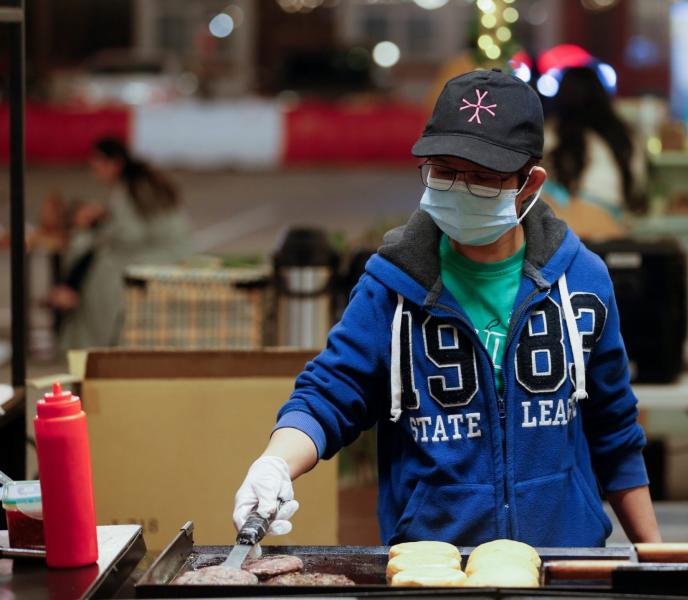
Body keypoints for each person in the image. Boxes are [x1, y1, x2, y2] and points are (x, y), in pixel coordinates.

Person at [234, 69, 661, 546]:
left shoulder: (582, 281)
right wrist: (275, 463)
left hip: (563, 566)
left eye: (482, 178)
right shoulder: (391, 288)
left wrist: (658, 559)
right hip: (433, 571)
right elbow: (329, 394)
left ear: (528, 183)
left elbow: (615, 431)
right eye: (443, 171)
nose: (459, 189)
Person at [48, 137, 190, 350]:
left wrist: (98, 223)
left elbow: (131, 234)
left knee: (98, 271)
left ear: (114, 163)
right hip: (156, 248)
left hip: (160, 253)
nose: (94, 172)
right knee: (89, 252)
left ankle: (95, 342)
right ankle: (72, 300)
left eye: (97, 166)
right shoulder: (138, 183)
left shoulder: (133, 188)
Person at [542, 66, 646, 240]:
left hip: (572, 238)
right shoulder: (626, 137)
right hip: (617, 234)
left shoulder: (551, 136)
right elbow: (638, 189)